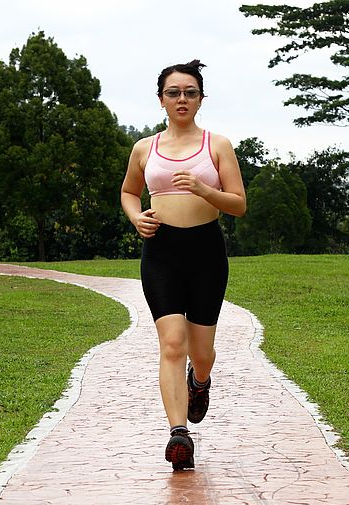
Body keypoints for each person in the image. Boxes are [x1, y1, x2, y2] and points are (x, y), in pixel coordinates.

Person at [120, 59, 247, 471]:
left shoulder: (217, 145)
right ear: (161, 100)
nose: (182, 99)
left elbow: (239, 205)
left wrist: (204, 188)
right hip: (161, 252)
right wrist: (136, 216)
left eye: (190, 92)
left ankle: (200, 381)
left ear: (200, 99)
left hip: (206, 252)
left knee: (202, 351)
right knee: (172, 343)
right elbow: (128, 192)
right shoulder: (145, 148)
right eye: (173, 92)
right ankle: (179, 435)